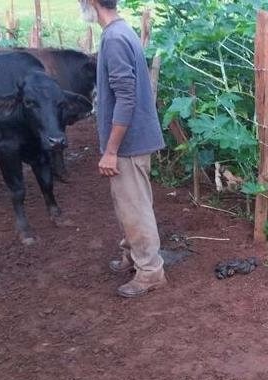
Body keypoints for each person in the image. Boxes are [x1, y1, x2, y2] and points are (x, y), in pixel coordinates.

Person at [78, 0, 167, 298]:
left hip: (128, 144)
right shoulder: (120, 31)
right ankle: (132, 255)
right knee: (127, 204)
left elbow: (126, 97)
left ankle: (150, 271)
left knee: (134, 207)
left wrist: (111, 150)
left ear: (91, 2)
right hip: (134, 139)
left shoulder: (115, 38)